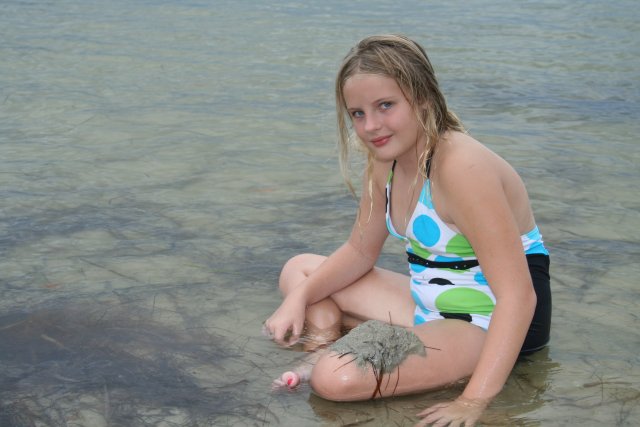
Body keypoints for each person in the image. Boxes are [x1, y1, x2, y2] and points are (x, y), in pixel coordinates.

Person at [263, 34, 551, 426]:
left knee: (335, 379)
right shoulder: (386, 161)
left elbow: (519, 296)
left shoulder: (462, 169)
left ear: (423, 98)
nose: (371, 126)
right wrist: (297, 300)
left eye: (385, 105)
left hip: (488, 321)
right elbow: (360, 252)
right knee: (298, 273)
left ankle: (336, 357)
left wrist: (473, 401)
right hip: (428, 303)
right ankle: (326, 343)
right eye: (358, 113)